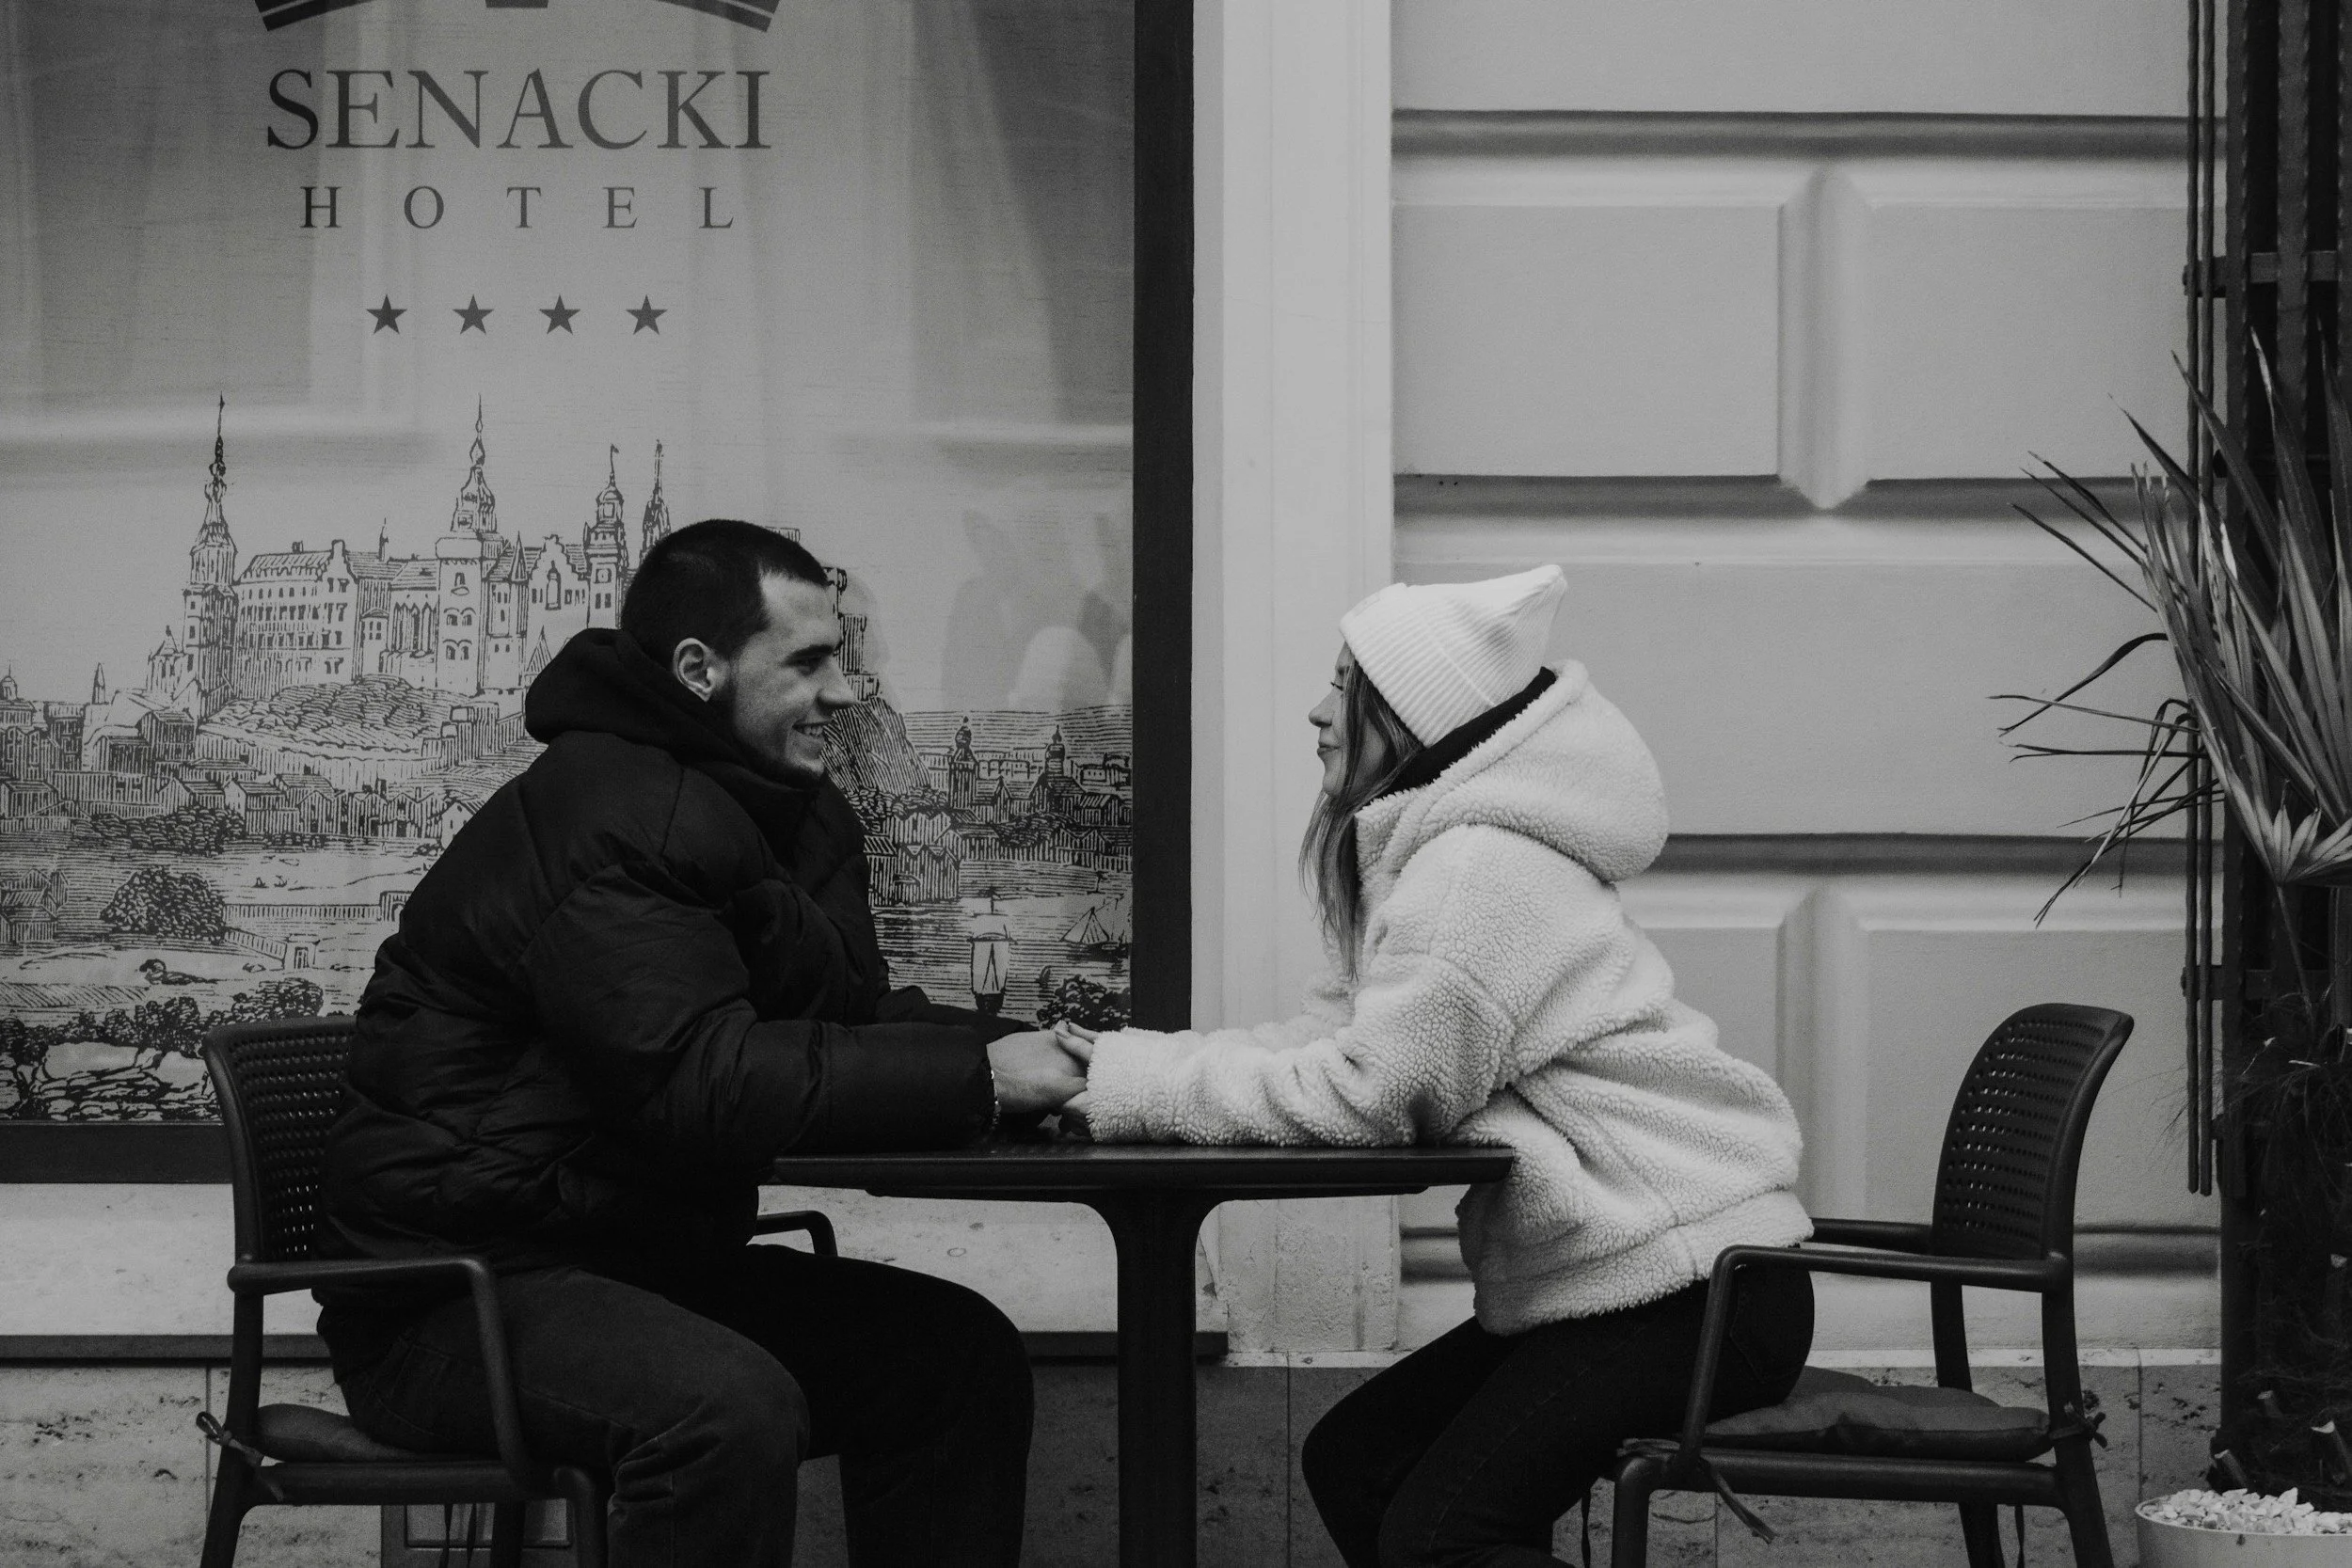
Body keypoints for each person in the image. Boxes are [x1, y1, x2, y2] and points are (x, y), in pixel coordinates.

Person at [314, 519, 1086, 1568]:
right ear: (697, 669)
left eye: (844, 658)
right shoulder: (608, 815)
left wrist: (1054, 1052)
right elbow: (699, 1080)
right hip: (456, 1295)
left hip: (628, 1259)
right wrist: (978, 1077)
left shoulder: (773, 812)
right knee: (723, 1412)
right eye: (809, 662)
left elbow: (843, 1015)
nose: (846, 691)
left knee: (957, 1356)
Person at [1056, 566, 1815, 1568]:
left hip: (1691, 1293)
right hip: (1632, 1281)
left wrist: (1133, 1090)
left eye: (1346, 688)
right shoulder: (1439, 857)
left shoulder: (1479, 870)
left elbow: (1369, 1093)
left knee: (1441, 1531)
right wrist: (1119, 1068)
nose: (1318, 712)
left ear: (1409, 717)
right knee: (1358, 1460)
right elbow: (1329, 1041)